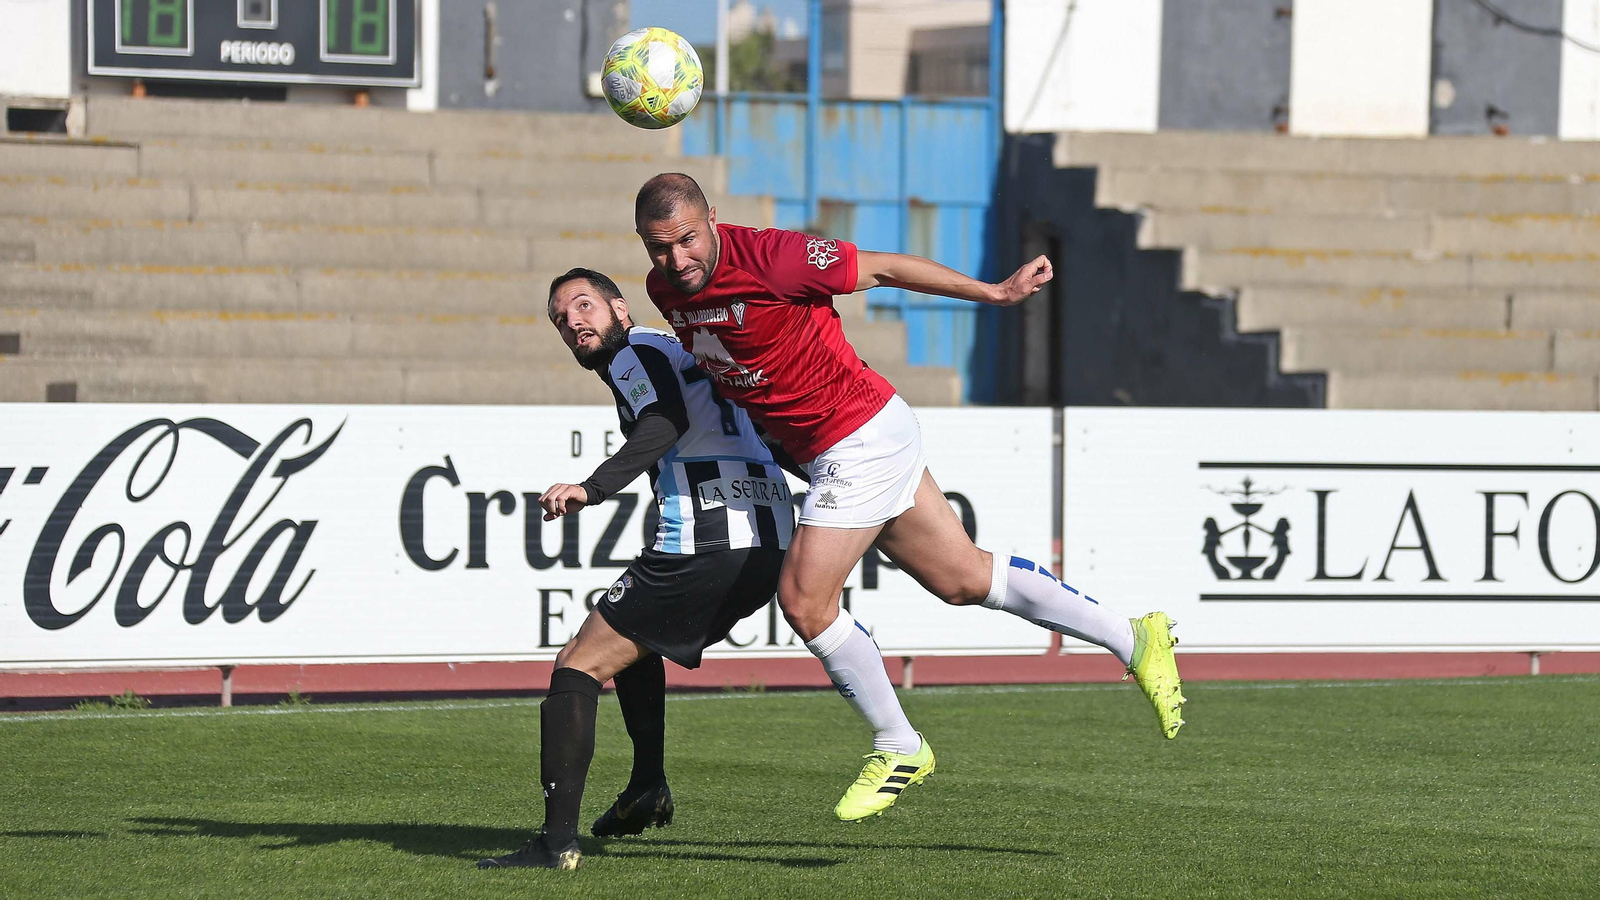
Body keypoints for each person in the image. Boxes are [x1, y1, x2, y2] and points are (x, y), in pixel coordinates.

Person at [633, 173, 1187, 823]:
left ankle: (898, 744)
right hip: (834, 446)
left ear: (714, 220)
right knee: (962, 578)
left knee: (805, 602)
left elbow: (888, 268)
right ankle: (1133, 637)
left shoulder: (775, 257)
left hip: (858, 437)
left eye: (687, 241)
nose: (675, 260)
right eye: (657, 247)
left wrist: (993, 292)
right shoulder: (662, 290)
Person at [479, 268, 795, 870]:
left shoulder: (633, 351)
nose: (573, 323)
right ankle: (647, 787)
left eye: (583, 305)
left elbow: (663, 423)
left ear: (620, 308)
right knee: (633, 648)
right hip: (769, 538)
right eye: (560, 320)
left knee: (576, 664)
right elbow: (764, 433)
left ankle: (555, 844)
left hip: (706, 537)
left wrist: (591, 489)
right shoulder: (679, 351)